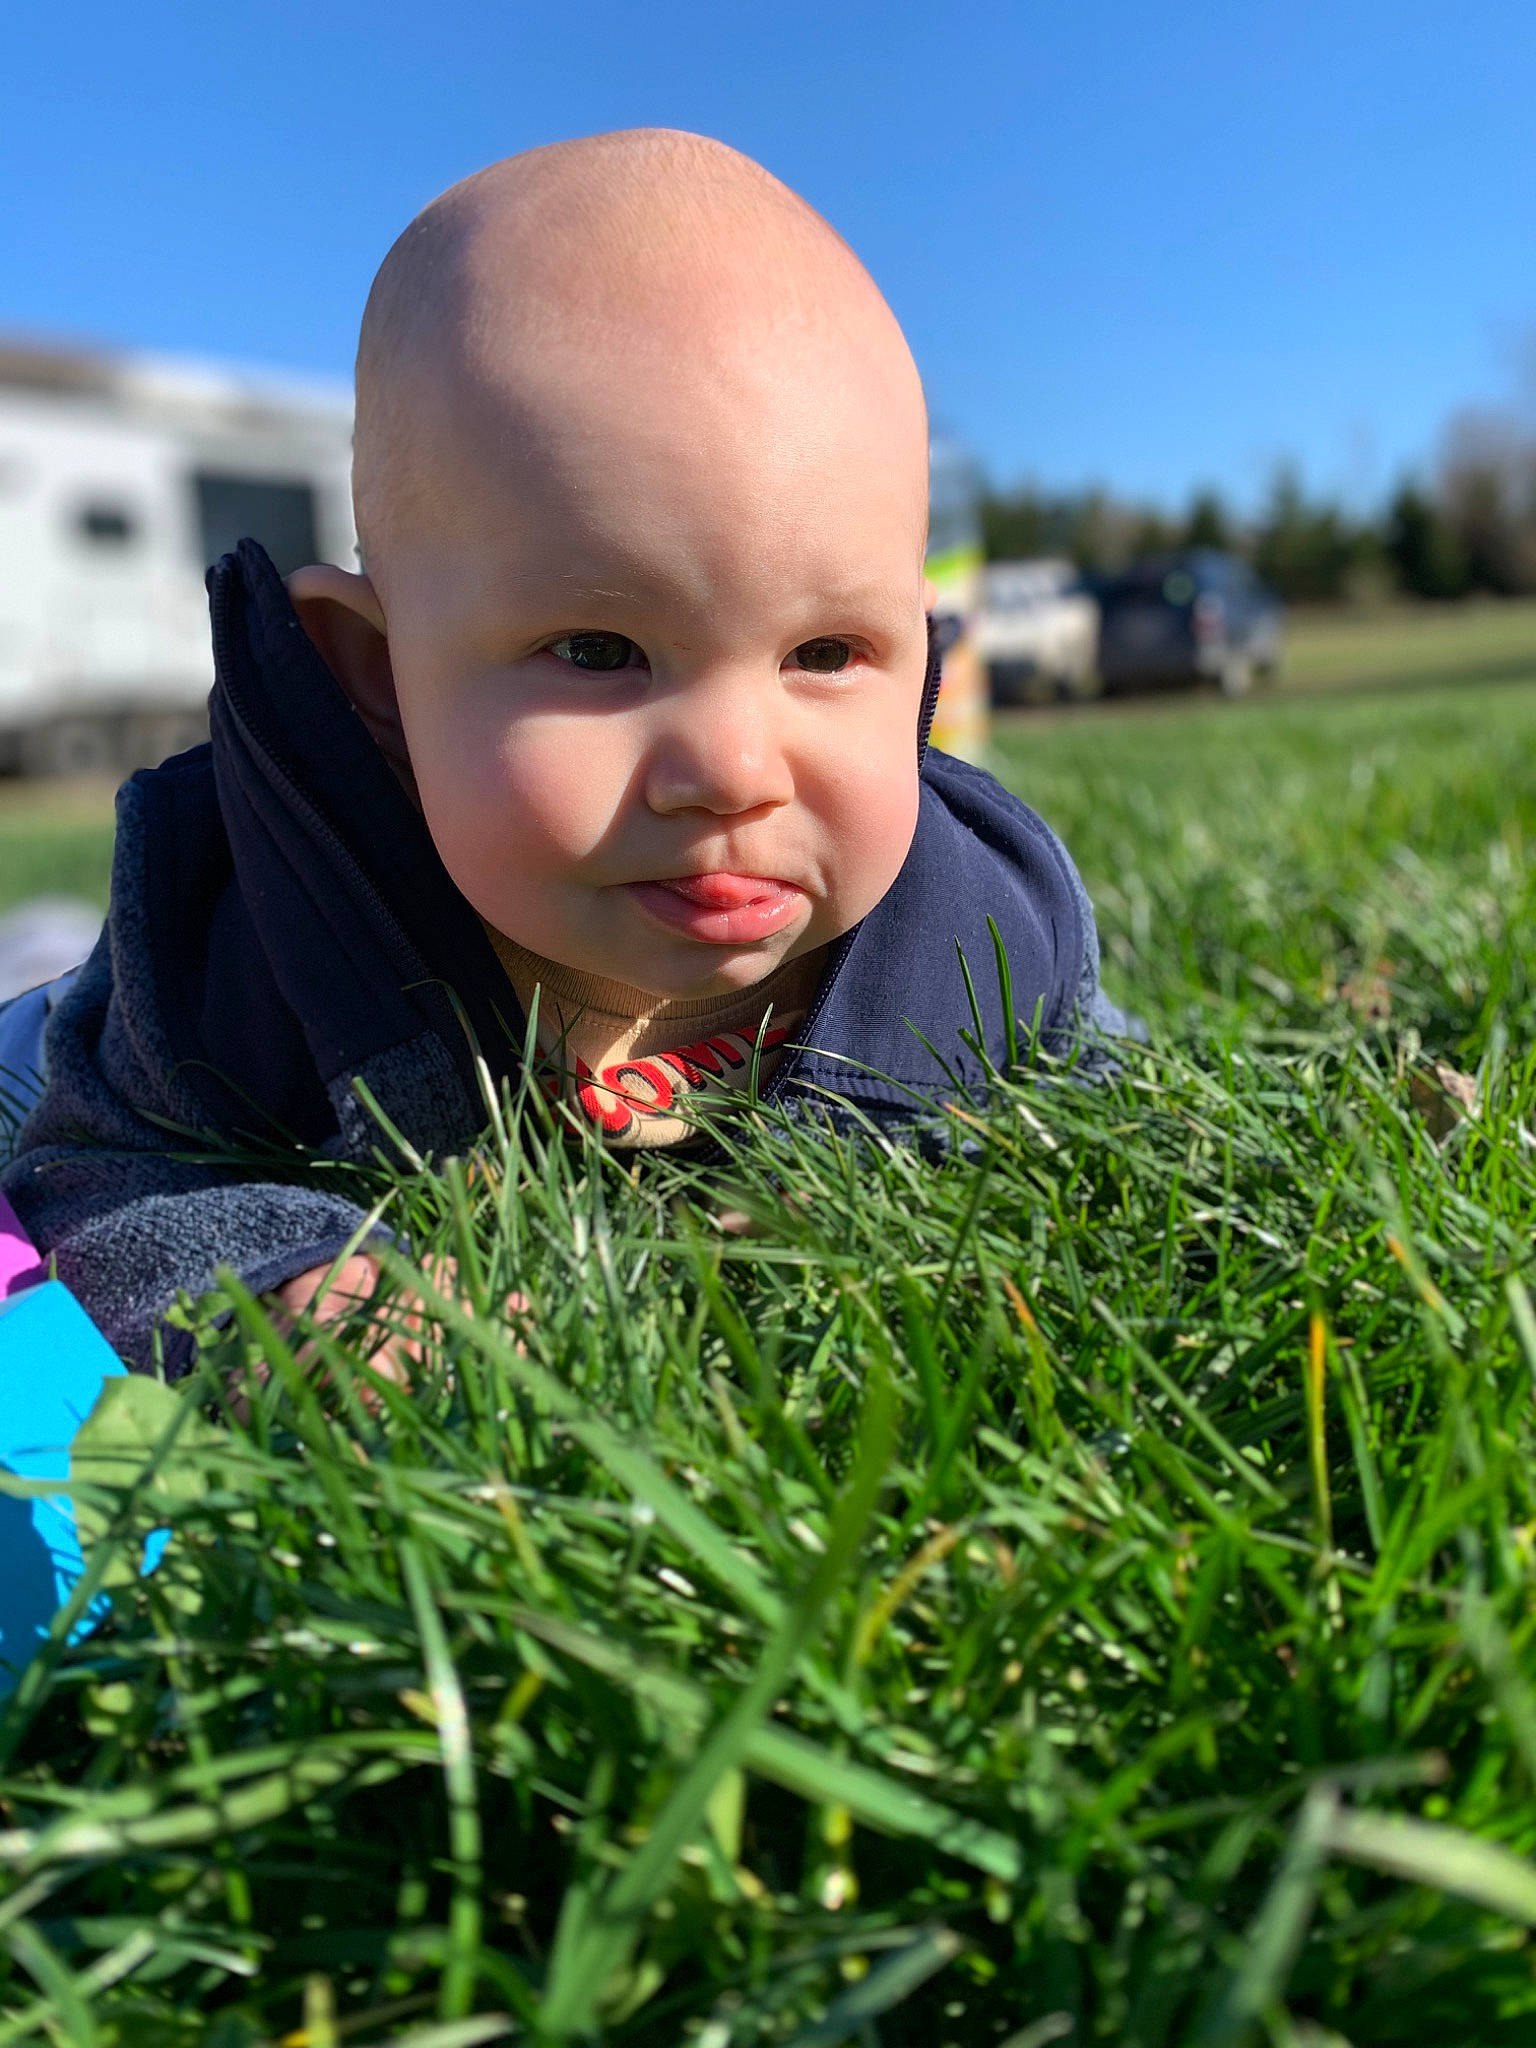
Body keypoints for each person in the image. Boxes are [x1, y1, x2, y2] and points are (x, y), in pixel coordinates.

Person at [0, 130, 1131, 1378]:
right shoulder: (247, 940)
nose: (734, 769)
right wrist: (277, 1279)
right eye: (599, 650)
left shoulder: (976, 936)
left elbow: (1117, 1114)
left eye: (825, 653)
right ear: (376, 677)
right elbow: (89, 1167)